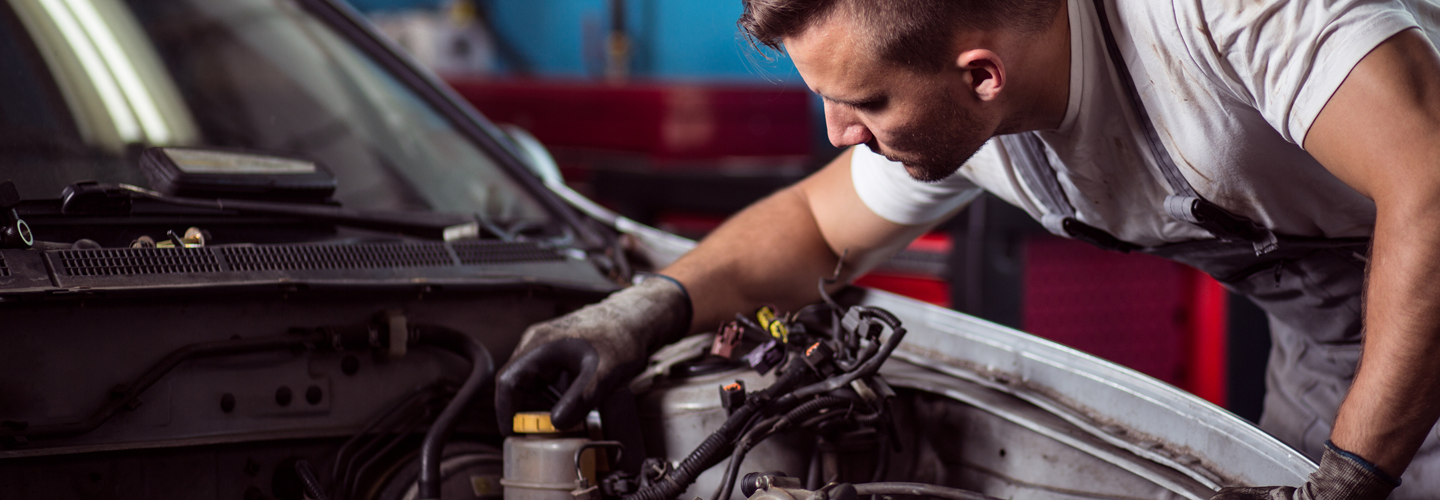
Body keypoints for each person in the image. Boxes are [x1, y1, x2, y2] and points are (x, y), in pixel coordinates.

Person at [496, 0, 1440, 498]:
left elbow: (1432, 190)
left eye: (864, 104)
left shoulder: (1226, 14)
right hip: (1328, 336)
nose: (838, 132)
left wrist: (1349, 480)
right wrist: (641, 311)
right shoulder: (975, 115)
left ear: (980, 74)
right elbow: (815, 228)